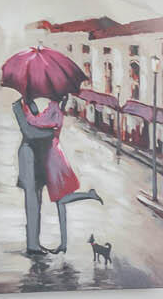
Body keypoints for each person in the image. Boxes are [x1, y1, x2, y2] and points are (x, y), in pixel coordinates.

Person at [14, 95, 101, 254]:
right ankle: (57, 243)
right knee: (57, 201)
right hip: (47, 157)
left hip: (52, 158)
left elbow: (37, 125)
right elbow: (35, 127)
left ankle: (55, 243)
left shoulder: (54, 110)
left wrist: (29, 118)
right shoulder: (51, 109)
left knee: (58, 200)